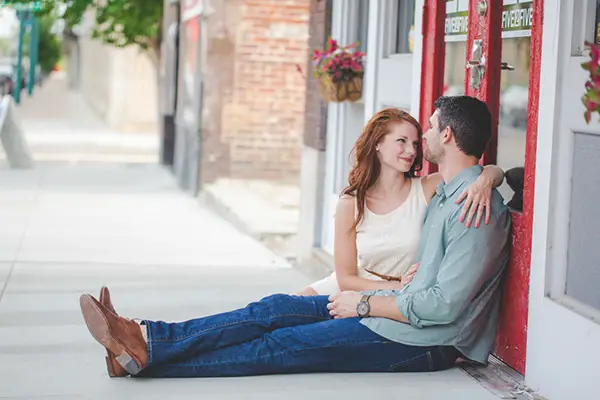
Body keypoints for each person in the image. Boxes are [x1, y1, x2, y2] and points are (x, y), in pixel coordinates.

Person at [80, 95, 511, 378]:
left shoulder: (473, 207)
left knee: (285, 344)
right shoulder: (451, 193)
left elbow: (441, 306)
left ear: (447, 136)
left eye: (429, 130)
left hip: (419, 340)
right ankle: (148, 337)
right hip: (391, 312)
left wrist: (364, 302)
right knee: (275, 308)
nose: (419, 143)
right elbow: (427, 279)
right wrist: (487, 176)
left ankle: (145, 357)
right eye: (407, 139)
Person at [294, 108, 504, 296]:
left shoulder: (426, 187)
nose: (412, 151)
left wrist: (485, 181)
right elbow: (346, 279)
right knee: (284, 307)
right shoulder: (350, 202)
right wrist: (399, 286)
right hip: (354, 290)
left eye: (414, 143)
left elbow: (490, 171)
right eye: (401, 141)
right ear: (377, 142)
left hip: (390, 303)